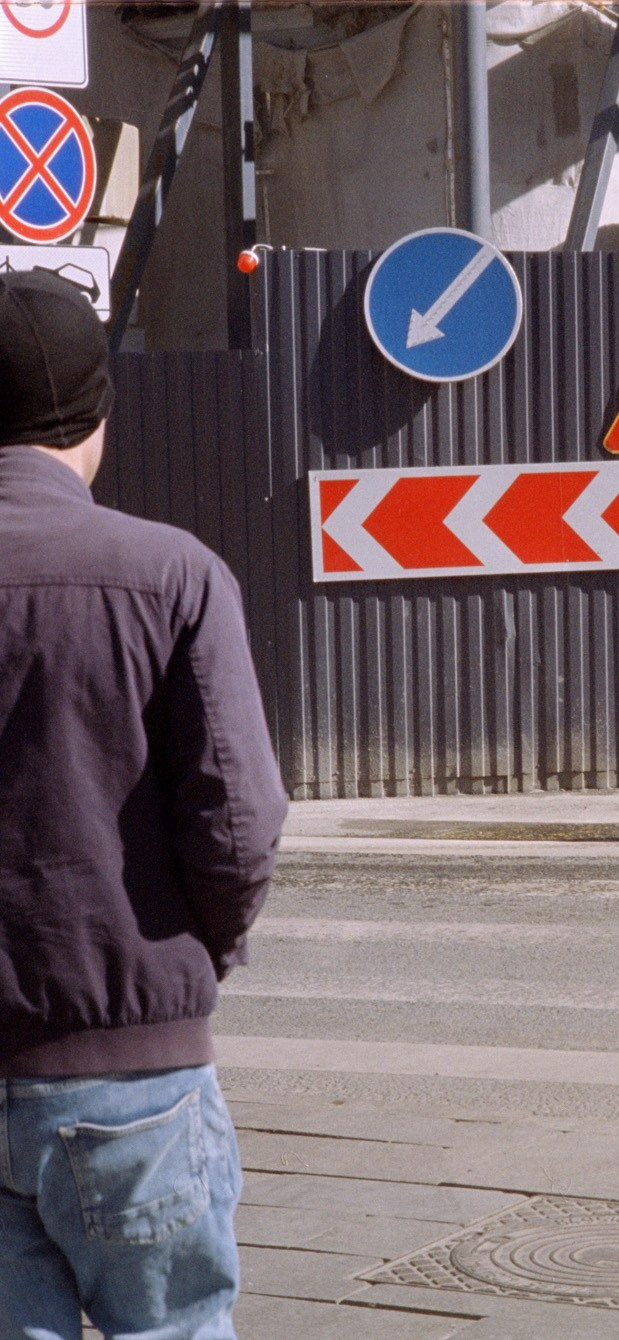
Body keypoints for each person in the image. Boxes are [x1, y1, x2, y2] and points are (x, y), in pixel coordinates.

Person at [0, 270, 288, 1336]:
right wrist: (181, 964)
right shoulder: (172, 575)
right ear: (99, 417)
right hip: (132, 1079)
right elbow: (238, 822)